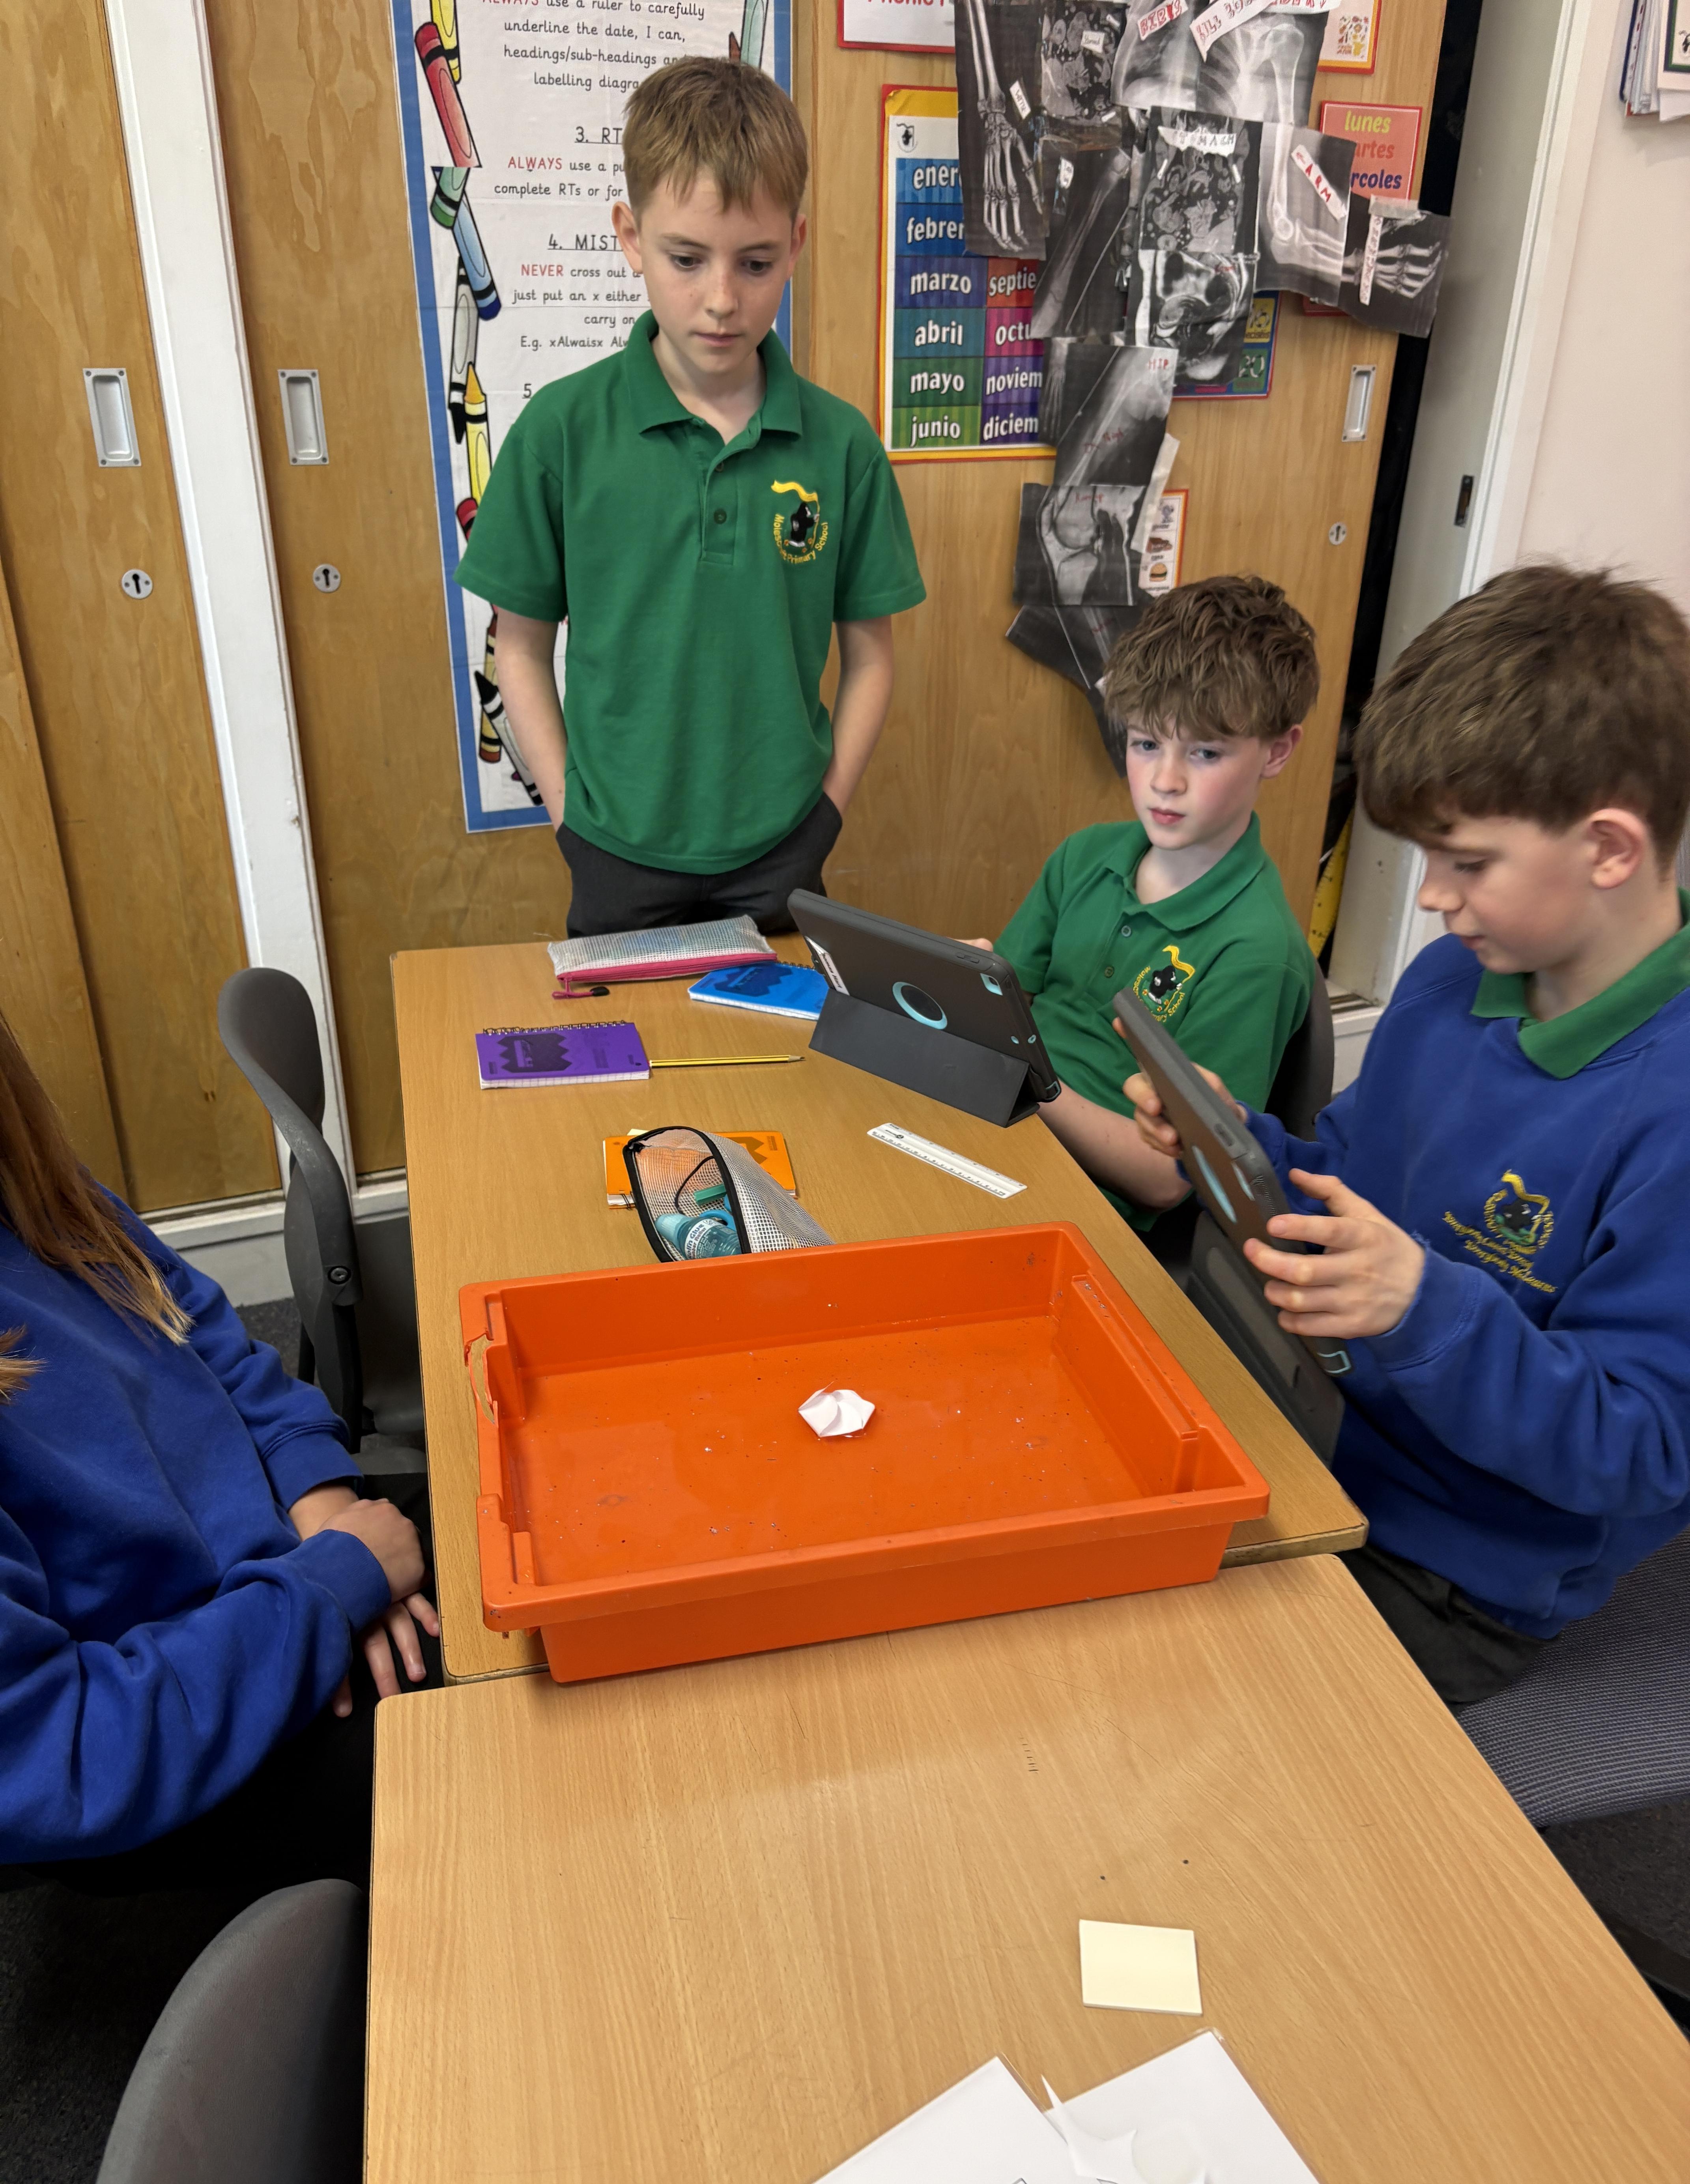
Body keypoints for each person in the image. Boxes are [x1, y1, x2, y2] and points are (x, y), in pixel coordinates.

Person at [1127, 564, 1690, 1706]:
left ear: (1608, 849)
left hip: (1443, 1567)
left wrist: (1423, 1309)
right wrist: (1241, 1148)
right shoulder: (1449, 982)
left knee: (1162, 1715)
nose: (1431, 897)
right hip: (1297, 1416)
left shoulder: (1667, 1108)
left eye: (1467, 863)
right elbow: (1349, 1185)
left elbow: (1641, 1450)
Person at [457, 58, 926, 938]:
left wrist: (824, 817)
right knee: (633, 1034)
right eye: (686, 258)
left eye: (755, 263)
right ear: (630, 236)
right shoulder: (561, 432)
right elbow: (517, 649)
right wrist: (571, 820)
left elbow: (871, 659)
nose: (721, 300)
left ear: (796, 244)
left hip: (784, 850)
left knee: (781, 1033)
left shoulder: (842, 446)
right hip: (614, 850)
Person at [0, 1012, 439, 1886]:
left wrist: (325, 1505)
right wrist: (325, 1595)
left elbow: (207, 1338)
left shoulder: (38, 1193)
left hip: (294, 1576)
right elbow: (60, 1754)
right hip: (185, 1725)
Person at [989, 575, 1318, 1233]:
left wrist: (1023, 1081)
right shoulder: (1085, 856)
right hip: (995, 1127)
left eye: (1205, 752)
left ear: (1277, 751)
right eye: (1146, 744)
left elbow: (1169, 1181)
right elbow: (1008, 1002)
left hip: (1082, 1207)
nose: (1166, 781)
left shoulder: (1258, 950)